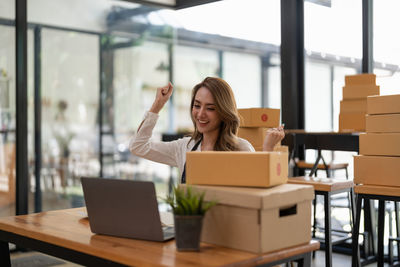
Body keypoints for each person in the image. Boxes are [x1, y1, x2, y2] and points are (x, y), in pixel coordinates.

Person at [130, 77, 284, 183]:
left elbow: (259, 187)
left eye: (210, 108)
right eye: (197, 106)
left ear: (224, 112)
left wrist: (268, 148)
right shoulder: (185, 147)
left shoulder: (241, 148)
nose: (200, 114)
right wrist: (157, 105)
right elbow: (138, 146)